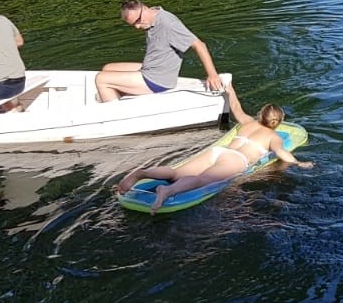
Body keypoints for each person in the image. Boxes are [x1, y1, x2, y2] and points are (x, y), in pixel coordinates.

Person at [115, 83, 312, 212]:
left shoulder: (247, 122)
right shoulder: (273, 136)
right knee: (203, 180)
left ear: (261, 115)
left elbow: (235, 106)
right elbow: (281, 152)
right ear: (278, 122)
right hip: (236, 160)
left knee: (175, 172)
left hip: (218, 152)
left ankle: (143, 173)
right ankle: (167, 192)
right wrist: (299, 163)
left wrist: (230, 89)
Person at [95, 0, 223, 102]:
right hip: (150, 68)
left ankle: (115, 116)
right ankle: (119, 95)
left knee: (101, 79)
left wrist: (212, 75)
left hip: (158, 79)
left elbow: (199, 45)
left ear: (144, 9)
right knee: (107, 68)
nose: (137, 27)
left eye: (137, 22)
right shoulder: (152, 16)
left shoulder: (168, 23)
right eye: (133, 25)